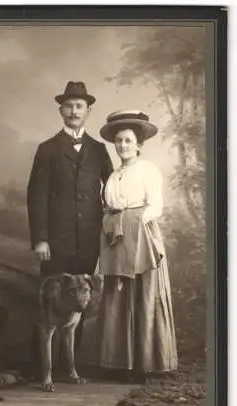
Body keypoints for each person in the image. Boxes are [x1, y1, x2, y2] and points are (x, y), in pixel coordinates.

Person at [27, 81, 113, 376]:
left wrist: (108, 232)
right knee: (51, 301)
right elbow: (36, 196)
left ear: (88, 111)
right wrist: (40, 239)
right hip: (56, 241)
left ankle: (72, 368)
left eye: (79, 106)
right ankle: (44, 367)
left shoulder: (100, 150)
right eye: (69, 105)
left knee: (80, 301)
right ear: (61, 110)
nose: (74, 111)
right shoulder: (47, 150)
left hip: (89, 240)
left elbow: (112, 191)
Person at [97, 110, 178, 383]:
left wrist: (134, 222)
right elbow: (108, 206)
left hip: (142, 236)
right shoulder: (113, 175)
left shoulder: (147, 170)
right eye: (119, 141)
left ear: (139, 144)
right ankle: (120, 362)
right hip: (116, 239)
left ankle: (145, 363)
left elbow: (156, 206)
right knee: (119, 297)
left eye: (128, 140)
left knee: (142, 297)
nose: (122, 145)